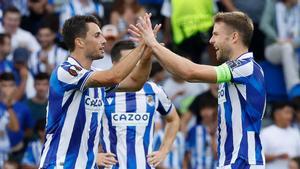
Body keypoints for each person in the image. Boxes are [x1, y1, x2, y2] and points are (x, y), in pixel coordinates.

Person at [129, 12, 266, 168]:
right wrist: (152, 48)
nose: (211, 40)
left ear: (234, 37)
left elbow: (190, 72)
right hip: (232, 161)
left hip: (244, 161)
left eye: (215, 34)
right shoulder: (235, 70)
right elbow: (183, 73)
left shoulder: (246, 67)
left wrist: (153, 44)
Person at [39, 15, 159, 169]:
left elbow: (136, 82)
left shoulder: (96, 76)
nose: (103, 40)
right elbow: (114, 77)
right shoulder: (66, 71)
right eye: (97, 35)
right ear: (80, 42)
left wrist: (147, 53)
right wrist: (142, 46)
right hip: (59, 165)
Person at [98, 40, 180, 169]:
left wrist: (164, 150)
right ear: (115, 65)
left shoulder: (154, 91)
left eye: (137, 60)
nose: (134, 65)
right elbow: (83, 126)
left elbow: (173, 119)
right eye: (128, 61)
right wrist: (94, 155)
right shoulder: (102, 92)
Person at [260, 102, 300, 169]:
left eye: (291, 113)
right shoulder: (265, 133)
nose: (290, 116)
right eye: (287, 112)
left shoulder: (296, 132)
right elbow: (259, 157)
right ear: (277, 114)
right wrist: (277, 157)